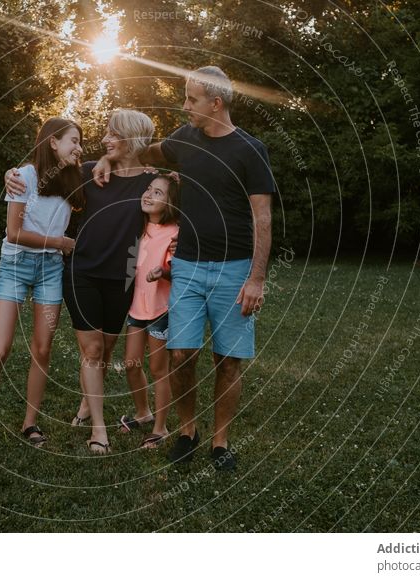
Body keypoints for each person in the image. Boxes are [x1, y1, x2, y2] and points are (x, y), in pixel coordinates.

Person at [93, 66, 276, 470]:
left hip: (234, 268)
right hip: (188, 266)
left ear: (216, 102)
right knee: (180, 356)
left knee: (228, 360)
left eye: (191, 99)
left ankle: (220, 442)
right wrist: (108, 158)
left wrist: (257, 278)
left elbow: (262, 217)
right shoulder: (183, 140)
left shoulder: (250, 149)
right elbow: (144, 154)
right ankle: (187, 432)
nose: (184, 105)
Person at [5, 109, 156, 454]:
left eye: (112, 135)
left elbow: (170, 208)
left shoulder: (151, 181)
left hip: (123, 277)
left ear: (131, 139)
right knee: (91, 350)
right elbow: (38, 172)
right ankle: (99, 430)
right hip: (82, 272)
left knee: (107, 348)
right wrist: (10, 174)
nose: (103, 140)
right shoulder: (87, 172)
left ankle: (89, 403)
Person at [0, 117, 83, 455]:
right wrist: (60, 243)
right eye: (73, 140)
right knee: (1, 348)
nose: (79, 148)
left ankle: (30, 423)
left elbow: (115, 165)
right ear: (53, 142)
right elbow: (14, 233)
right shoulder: (23, 176)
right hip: (15, 265)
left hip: (50, 270)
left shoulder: (73, 178)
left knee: (42, 350)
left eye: (81, 142)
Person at [119, 174, 180, 449]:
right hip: (136, 307)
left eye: (158, 193)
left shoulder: (176, 232)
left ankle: (160, 427)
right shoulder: (137, 225)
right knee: (131, 363)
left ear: (170, 202)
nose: (149, 194)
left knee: (158, 368)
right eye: (148, 189)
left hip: (161, 308)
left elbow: (177, 268)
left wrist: (163, 271)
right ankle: (143, 412)